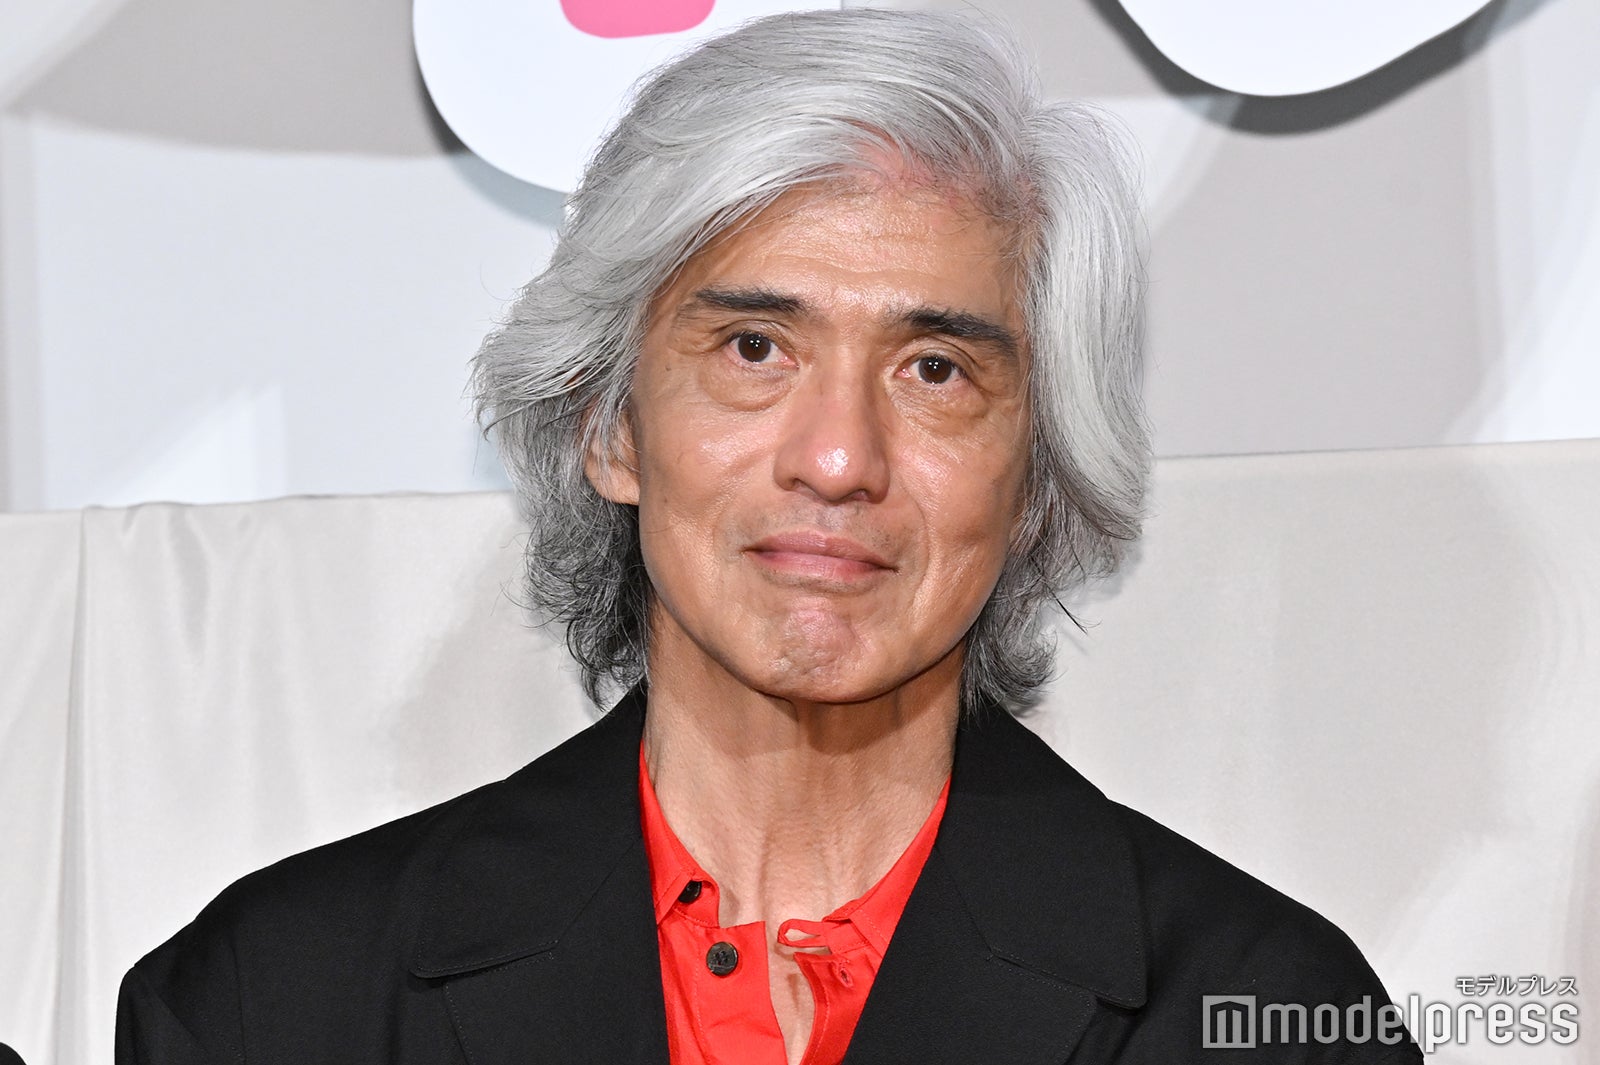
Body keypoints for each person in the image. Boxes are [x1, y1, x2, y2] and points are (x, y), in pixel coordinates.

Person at [116, 10, 1421, 1063]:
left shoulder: (1266, 1018)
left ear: (1035, 479)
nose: (839, 458)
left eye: (935, 371)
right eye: (754, 349)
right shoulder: (271, 1003)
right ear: (610, 427)